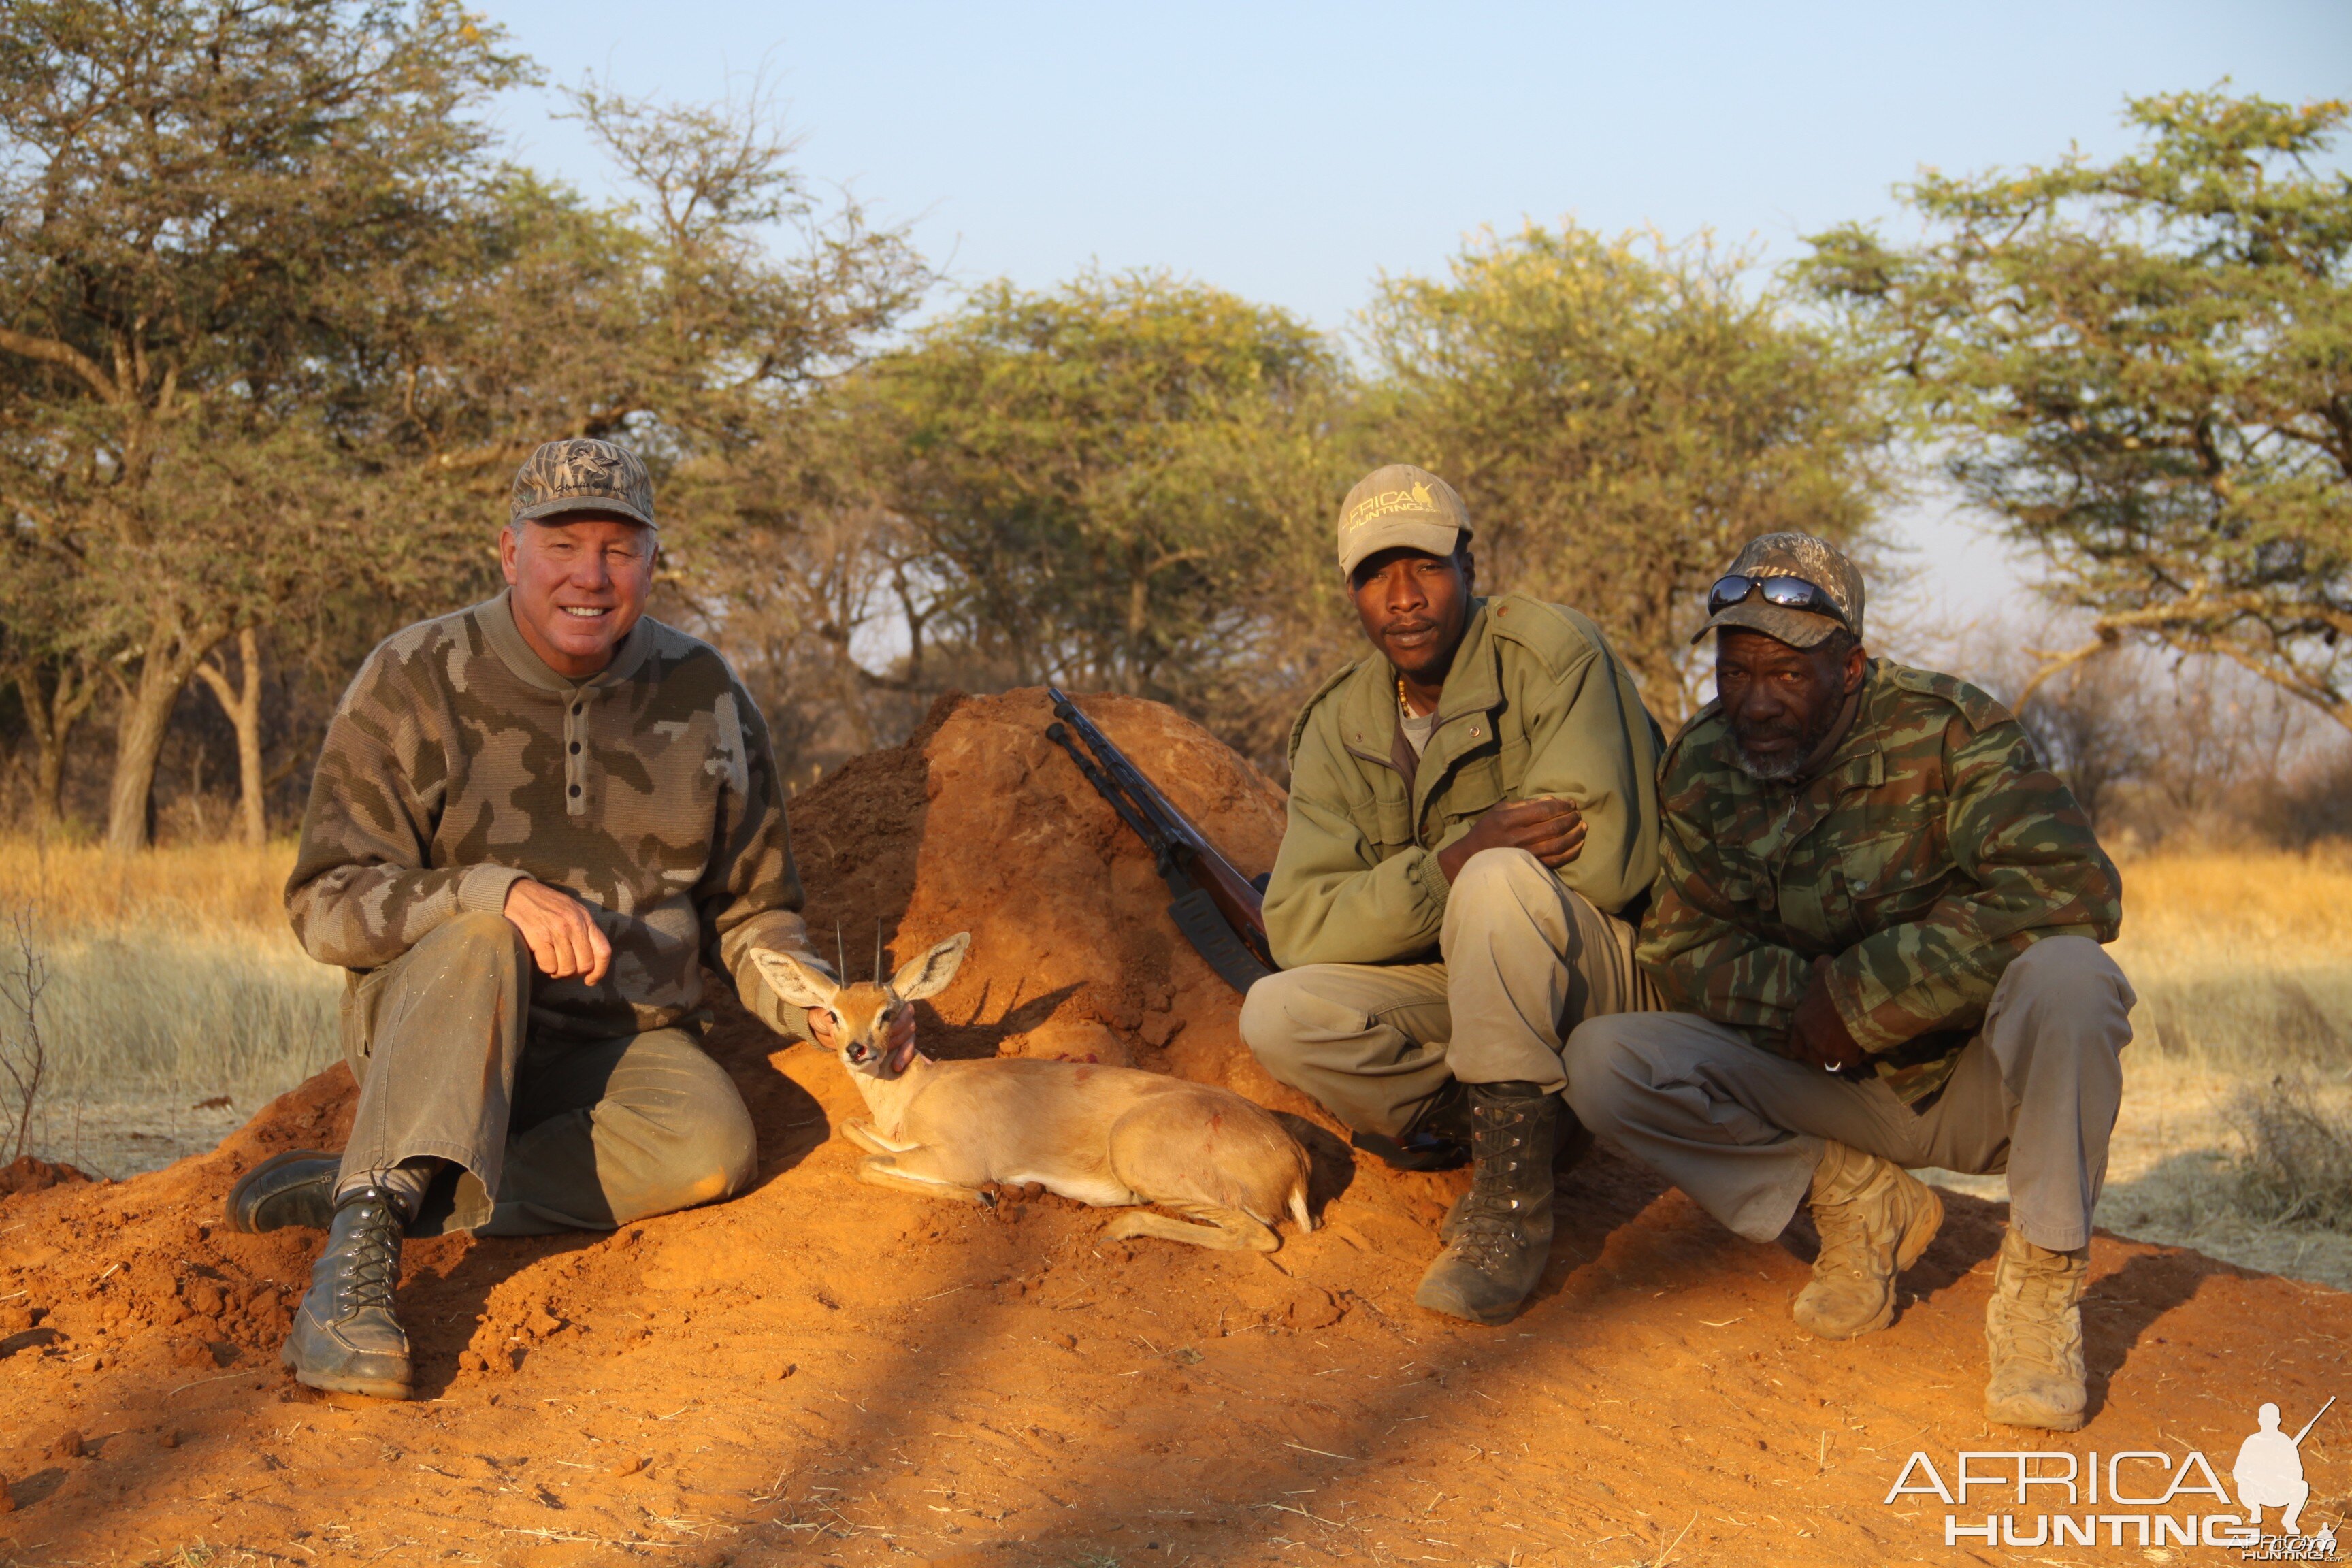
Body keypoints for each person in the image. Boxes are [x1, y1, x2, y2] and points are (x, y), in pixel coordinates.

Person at [226, 438, 875, 1401]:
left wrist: (817, 1005)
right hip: (437, 1027)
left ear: (653, 564)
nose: (591, 574)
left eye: (620, 549)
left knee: (712, 1149)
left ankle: (414, 1185)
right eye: (563, 542)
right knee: (484, 935)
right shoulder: (414, 675)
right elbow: (324, 903)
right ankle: (351, 1275)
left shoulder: (706, 697)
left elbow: (752, 913)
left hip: (624, 1039)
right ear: (509, 551)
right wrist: (490, 894)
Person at [1563, 532, 2132, 1432]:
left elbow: (2072, 888)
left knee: (2075, 976)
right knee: (1604, 1060)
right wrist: (1799, 1006)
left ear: (1853, 666)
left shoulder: (1951, 730)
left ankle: (2042, 1293)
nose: (1756, 702)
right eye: (1736, 670)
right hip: (1821, 1081)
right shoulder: (1704, 763)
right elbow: (1680, 941)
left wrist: (1869, 998)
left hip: (1974, 1083)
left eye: (1787, 676)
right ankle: (1857, 1200)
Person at [1240, 464, 1664, 1326]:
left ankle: (1509, 1212)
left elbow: (1610, 868)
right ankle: (1531, 1130)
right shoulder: (1339, 722)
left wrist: (1473, 875)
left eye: (1426, 567)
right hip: (1469, 986)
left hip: (1612, 979)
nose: (1403, 598)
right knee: (1278, 1012)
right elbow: (1298, 924)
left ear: (1471, 566)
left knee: (1504, 879)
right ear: (1350, 589)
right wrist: (1447, 867)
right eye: (1376, 575)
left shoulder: (1553, 653)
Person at [2234, 1402, 2316, 1535]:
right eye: (2266, 1419)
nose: (2269, 1422)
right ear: (2260, 1421)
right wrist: (2256, 1475)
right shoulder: (2251, 1441)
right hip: (2258, 1491)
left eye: (2272, 1419)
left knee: (2302, 1486)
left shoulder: (2285, 1442)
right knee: (2243, 1485)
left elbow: (2297, 1473)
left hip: (2279, 1492)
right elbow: (2238, 1472)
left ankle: (2289, 1520)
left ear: (2278, 1421)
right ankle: (2255, 1509)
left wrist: (2281, 1473)